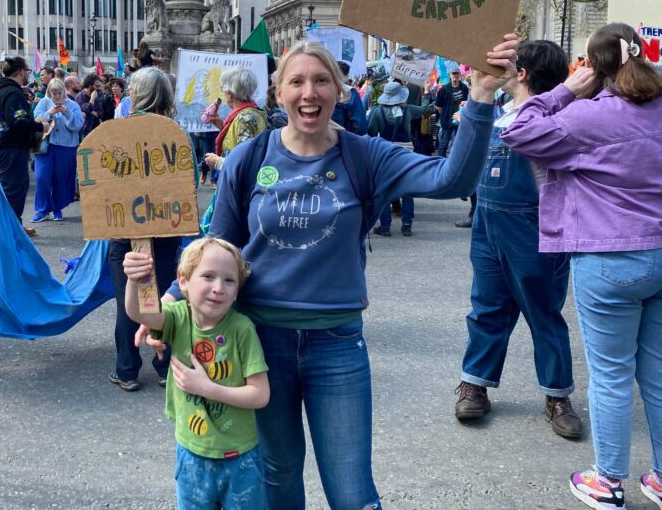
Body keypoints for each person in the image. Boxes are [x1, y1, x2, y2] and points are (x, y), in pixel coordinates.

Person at [127, 36, 518, 508]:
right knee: (277, 478)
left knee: (352, 491)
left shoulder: (366, 155)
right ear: (278, 92)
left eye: (321, 81)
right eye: (296, 81)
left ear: (340, 89)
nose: (308, 92)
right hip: (258, 342)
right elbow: (220, 245)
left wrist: (479, 98)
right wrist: (170, 297)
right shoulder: (249, 160)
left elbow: (452, 180)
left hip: (336, 345)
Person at [500, 23, 662, 510]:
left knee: (611, 375)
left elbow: (517, 129)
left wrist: (563, 93)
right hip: (659, 251)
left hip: (607, 254)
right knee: (655, 373)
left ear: (591, 66)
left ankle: (608, 479)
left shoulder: (590, 116)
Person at [453, 40, 583, 440]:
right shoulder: (498, 113)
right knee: (487, 308)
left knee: (543, 314)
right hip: (489, 224)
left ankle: (557, 396)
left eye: (508, 64)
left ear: (522, 73)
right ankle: (475, 382)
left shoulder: (555, 117)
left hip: (535, 228)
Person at [123, 237, 270, 509]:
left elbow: (260, 394)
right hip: (192, 455)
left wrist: (207, 388)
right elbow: (139, 313)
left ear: (238, 290)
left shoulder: (242, 329)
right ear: (184, 282)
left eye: (229, 280)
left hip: (241, 458)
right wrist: (134, 279)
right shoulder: (178, 317)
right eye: (208, 276)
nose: (218, 288)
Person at [108, 67, 186, 392]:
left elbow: (103, 185)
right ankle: (166, 365)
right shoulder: (176, 134)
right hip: (167, 230)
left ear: (134, 94)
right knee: (164, 300)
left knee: (128, 302)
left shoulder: (116, 133)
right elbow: (189, 184)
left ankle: (127, 369)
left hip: (125, 231)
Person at [0, 57, 48, 238]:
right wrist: (39, 126)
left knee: (9, 188)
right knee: (14, 189)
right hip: (11, 148)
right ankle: (10, 230)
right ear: (21, 72)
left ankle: (14, 225)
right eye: (28, 71)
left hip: (1, 146)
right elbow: (18, 122)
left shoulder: (0, 90)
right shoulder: (13, 93)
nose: (29, 74)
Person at [366, 80, 429, 237]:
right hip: (406, 153)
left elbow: (371, 133)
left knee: (384, 189)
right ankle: (406, 225)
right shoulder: (408, 110)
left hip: (385, 153)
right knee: (408, 189)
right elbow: (424, 109)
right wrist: (427, 93)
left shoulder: (377, 112)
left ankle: (385, 226)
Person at [31, 78, 84, 222]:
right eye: (53, 93)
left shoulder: (72, 105)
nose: (56, 96)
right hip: (45, 147)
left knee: (61, 178)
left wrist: (67, 113)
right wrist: (49, 113)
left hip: (66, 147)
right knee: (42, 177)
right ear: (49, 92)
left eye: (59, 93)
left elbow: (78, 125)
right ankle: (42, 210)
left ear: (64, 92)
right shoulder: (44, 102)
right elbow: (35, 120)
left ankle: (57, 208)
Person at [202, 67, 267, 173]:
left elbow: (245, 162)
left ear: (230, 94)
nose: (223, 93)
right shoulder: (254, 112)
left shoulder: (243, 119)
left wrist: (218, 161)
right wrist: (223, 127)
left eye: (223, 89)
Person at [435, 68, 469, 156]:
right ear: (450, 75)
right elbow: (438, 106)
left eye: (457, 73)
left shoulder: (464, 87)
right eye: (453, 73)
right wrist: (443, 115)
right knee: (444, 143)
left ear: (460, 75)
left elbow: (466, 102)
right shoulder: (444, 89)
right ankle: (440, 162)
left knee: (459, 143)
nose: (455, 75)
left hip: (460, 119)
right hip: (447, 120)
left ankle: (457, 162)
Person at [331, 61, 368, 135]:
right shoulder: (351, 92)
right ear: (346, 75)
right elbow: (359, 125)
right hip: (345, 140)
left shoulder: (321, 89)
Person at [75, 73, 104, 138]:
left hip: (95, 131)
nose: (98, 89)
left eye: (99, 86)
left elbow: (100, 114)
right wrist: (92, 99)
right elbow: (86, 109)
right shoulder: (79, 97)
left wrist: (89, 111)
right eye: (96, 86)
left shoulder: (97, 95)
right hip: (83, 131)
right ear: (89, 85)